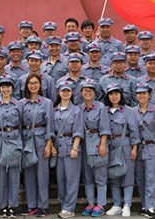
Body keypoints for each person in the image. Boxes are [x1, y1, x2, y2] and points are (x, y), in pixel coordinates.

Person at [20, 74, 55, 218]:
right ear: (26, 85)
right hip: (27, 141)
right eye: (30, 83)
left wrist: (49, 143)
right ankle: (31, 205)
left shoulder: (47, 103)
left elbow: (50, 125)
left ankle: (43, 205)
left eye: (35, 83)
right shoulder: (21, 103)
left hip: (41, 140)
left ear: (40, 85)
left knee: (42, 175)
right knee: (29, 175)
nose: (33, 86)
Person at [0, 76, 23, 218]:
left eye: (8, 86)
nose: (5, 89)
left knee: (14, 175)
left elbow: (21, 123)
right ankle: (3, 205)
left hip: (14, 140)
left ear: (12, 88)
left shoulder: (18, 104)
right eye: (3, 87)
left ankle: (13, 205)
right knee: (1, 175)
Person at [104, 83, 139, 218]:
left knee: (128, 176)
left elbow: (134, 130)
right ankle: (117, 204)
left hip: (125, 145)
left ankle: (127, 204)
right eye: (111, 94)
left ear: (121, 95)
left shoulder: (128, 110)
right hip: (110, 146)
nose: (114, 96)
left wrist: (135, 147)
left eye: (116, 93)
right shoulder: (104, 110)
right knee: (114, 176)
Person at [132, 83, 155, 219]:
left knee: (151, 178)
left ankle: (150, 206)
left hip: (152, 147)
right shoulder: (133, 111)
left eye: (144, 93)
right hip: (138, 147)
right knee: (140, 178)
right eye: (139, 94)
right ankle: (144, 205)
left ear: (149, 95)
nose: (142, 96)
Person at [78, 79, 111, 218]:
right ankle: (91, 202)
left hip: (98, 143)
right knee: (88, 176)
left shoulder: (101, 107)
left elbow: (105, 128)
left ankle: (101, 204)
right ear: (81, 92)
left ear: (95, 93)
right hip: (85, 144)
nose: (88, 92)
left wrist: (103, 144)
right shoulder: (79, 108)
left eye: (90, 90)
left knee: (100, 176)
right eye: (85, 90)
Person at [53, 80, 85, 219]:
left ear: (72, 93)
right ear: (59, 92)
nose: (65, 93)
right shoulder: (54, 109)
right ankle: (63, 203)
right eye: (63, 91)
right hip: (58, 147)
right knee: (60, 178)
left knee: (71, 179)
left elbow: (78, 130)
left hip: (71, 146)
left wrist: (75, 147)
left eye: (68, 91)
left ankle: (69, 208)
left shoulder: (76, 110)